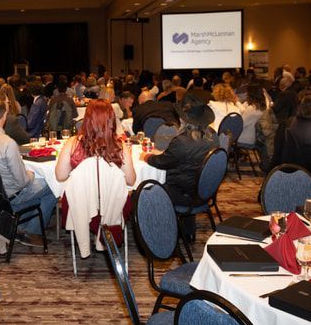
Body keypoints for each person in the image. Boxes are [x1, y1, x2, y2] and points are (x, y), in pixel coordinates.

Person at [0, 98, 56, 245]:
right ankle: (30, 232)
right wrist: (31, 175)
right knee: (53, 185)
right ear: (4, 115)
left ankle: (20, 226)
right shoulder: (7, 143)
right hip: (10, 196)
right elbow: (22, 181)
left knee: (39, 194)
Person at [55, 99, 136, 240]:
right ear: (111, 120)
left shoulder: (73, 143)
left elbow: (60, 176)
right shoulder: (120, 146)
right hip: (113, 205)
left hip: (80, 203)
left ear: (86, 120)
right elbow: (131, 180)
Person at [141, 94, 219, 239]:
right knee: (189, 174)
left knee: (146, 190)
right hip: (204, 191)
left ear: (183, 119)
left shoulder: (182, 141)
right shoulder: (213, 137)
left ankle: (158, 234)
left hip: (183, 194)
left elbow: (162, 162)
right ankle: (188, 231)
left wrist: (147, 157)